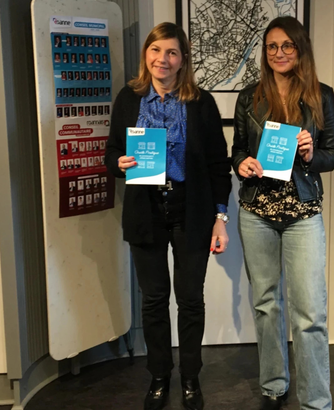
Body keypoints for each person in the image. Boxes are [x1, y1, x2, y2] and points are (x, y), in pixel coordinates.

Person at [105, 22, 231, 410]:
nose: (163, 59)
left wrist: (220, 218)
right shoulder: (129, 98)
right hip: (145, 211)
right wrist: (120, 163)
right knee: (154, 300)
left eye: (172, 52)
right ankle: (159, 376)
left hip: (191, 211)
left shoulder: (201, 103)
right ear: (147, 54)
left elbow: (218, 165)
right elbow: (111, 153)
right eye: (156, 50)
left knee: (190, 300)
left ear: (183, 59)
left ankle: (191, 377)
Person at [232, 16, 334, 410]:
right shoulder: (249, 97)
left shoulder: (321, 96)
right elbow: (238, 149)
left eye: (287, 45)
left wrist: (312, 155)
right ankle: (274, 387)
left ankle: (316, 401)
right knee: (266, 305)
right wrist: (242, 163)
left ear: (300, 49)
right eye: (272, 46)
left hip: (302, 212)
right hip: (257, 211)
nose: (279, 53)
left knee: (309, 313)